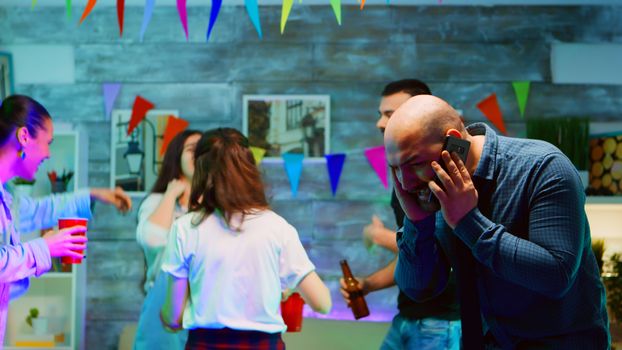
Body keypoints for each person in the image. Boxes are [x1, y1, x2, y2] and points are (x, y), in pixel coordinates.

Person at [385, 94, 609, 349]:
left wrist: (468, 222)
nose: (405, 183)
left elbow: (555, 276)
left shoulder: (544, 167)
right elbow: (419, 290)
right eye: (395, 168)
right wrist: (417, 223)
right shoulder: (431, 188)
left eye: (415, 163)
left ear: (453, 143)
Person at [160, 128, 332, 349]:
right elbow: (323, 304)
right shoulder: (277, 227)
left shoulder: (185, 228)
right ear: (250, 168)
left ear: (201, 170)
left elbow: (173, 317)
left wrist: (166, 318)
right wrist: (280, 286)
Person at [0, 95, 132, 344]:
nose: (48, 154)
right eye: (47, 142)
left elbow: (40, 209)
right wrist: (46, 247)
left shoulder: (6, 198)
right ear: (25, 137)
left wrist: (94, 194)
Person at [340, 79, 460, 350]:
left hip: (443, 321)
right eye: (380, 114)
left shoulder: (444, 174)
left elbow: (443, 246)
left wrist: (380, 236)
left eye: (389, 115)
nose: (380, 124)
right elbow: (414, 254)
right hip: (409, 316)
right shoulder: (407, 181)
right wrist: (368, 284)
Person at [134, 129, 201, 350]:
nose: (199, 154)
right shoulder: (158, 201)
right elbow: (152, 239)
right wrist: (171, 194)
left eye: (204, 150)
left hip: (204, 307)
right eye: (192, 149)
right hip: (163, 303)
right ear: (177, 157)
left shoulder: (218, 209)